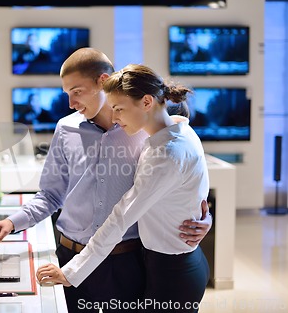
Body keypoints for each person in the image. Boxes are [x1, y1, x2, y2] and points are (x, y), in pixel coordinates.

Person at [0, 48, 212, 313]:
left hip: (126, 263)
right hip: (69, 254)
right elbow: (50, 195)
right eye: (66, 94)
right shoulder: (65, 129)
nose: (71, 103)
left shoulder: (145, 129)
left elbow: (178, 178)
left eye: (77, 92)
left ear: (102, 81)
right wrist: (10, 222)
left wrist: (200, 217)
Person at [36, 63, 210, 313]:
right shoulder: (177, 130)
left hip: (172, 271)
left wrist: (71, 273)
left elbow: (121, 217)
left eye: (118, 109)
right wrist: (203, 217)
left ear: (147, 102)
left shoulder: (166, 154)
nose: (114, 117)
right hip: (170, 260)